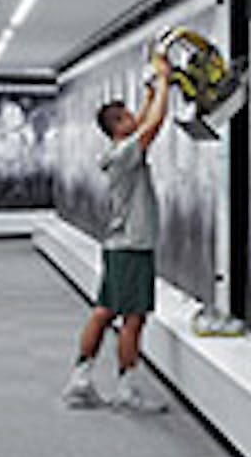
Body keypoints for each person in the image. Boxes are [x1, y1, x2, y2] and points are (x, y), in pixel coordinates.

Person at [61, 52, 171, 412]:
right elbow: (153, 125)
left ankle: (80, 379)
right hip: (133, 246)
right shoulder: (126, 153)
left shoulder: (118, 149)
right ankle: (126, 388)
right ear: (116, 127)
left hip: (118, 245)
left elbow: (141, 120)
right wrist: (166, 83)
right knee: (133, 318)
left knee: (104, 310)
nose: (132, 119)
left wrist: (150, 91)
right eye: (125, 117)